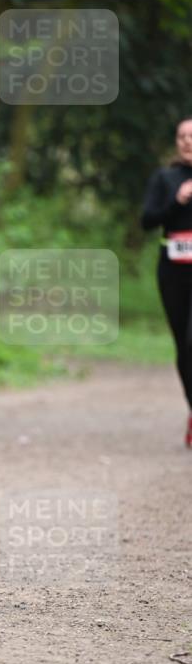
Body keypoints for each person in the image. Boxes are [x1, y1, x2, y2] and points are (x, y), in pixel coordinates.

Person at [141, 117, 192, 447]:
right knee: (183, 348)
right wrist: (178, 201)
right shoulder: (165, 178)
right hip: (173, 271)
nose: (187, 141)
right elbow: (147, 220)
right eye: (181, 136)